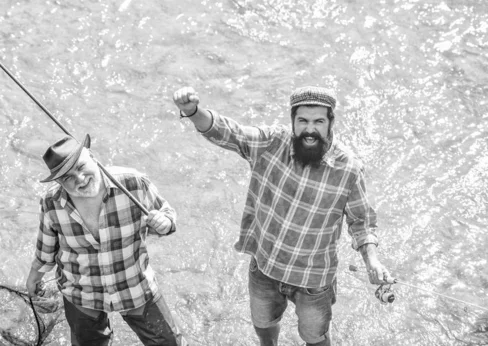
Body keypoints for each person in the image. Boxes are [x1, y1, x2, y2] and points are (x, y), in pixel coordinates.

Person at [172, 86, 393, 346]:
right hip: (266, 266)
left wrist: (373, 262)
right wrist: (193, 111)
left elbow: (361, 222)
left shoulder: (349, 169)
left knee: (315, 337)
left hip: (314, 279)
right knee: (264, 326)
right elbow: (230, 133)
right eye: (303, 121)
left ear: (330, 122)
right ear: (293, 121)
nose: (310, 130)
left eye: (318, 121)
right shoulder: (272, 143)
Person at [25, 133, 186, 346]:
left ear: (92, 156)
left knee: (170, 343)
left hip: (133, 286)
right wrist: (34, 278)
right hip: (81, 292)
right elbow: (46, 250)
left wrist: (164, 224)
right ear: (58, 181)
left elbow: (167, 214)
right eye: (67, 178)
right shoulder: (50, 202)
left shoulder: (133, 183)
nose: (79, 179)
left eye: (81, 167)